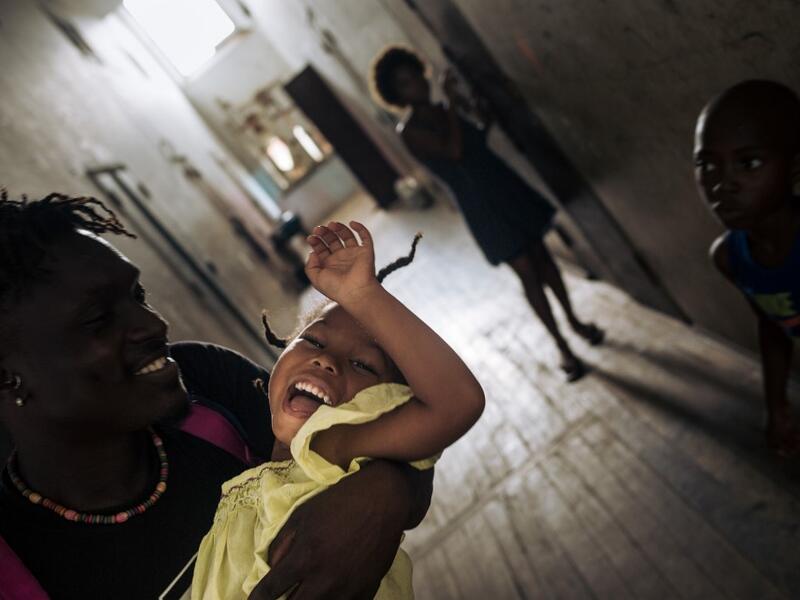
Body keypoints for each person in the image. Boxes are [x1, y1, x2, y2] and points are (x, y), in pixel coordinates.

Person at [0, 193, 434, 599]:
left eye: (139, 296)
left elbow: (387, 432)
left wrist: (383, 491)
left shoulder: (208, 384)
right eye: (98, 319)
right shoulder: (15, 564)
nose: (154, 325)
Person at [191, 222, 484, 599]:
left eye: (363, 365)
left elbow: (458, 401)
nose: (326, 361)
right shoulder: (259, 479)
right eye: (312, 340)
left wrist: (363, 294)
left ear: (379, 406)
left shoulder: (327, 446)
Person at [370, 47, 604, 382]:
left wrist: (473, 108)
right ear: (396, 94)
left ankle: (575, 321)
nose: (418, 86)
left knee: (543, 257)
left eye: (417, 77)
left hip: (502, 184)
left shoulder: (441, 108)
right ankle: (562, 345)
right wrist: (451, 106)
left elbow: (477, 137)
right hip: (480, 205)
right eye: (406, 84)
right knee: (527, 272)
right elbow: (453, 151)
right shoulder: (410, 130)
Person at [694, 80, 800, 456]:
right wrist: (776, 406)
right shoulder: (730, 257)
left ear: (794, 167)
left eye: (749, 163)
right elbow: (773, 326)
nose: (722, 184)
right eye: (707, 164)